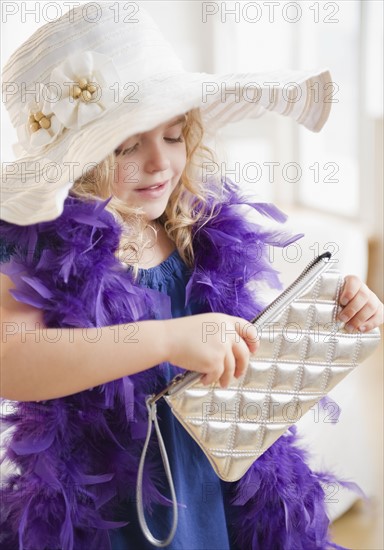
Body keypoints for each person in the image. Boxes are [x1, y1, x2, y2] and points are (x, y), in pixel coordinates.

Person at [0, 3, 382, 549]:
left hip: (219, 491)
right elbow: (12, 361)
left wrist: (333, 318)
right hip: (110, 506)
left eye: (175, 137)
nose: (159, 163)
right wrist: (166, 340)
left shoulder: (194, 227)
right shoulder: (32, 243)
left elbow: (244, 353)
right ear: (72, 160)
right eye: (128, 145)